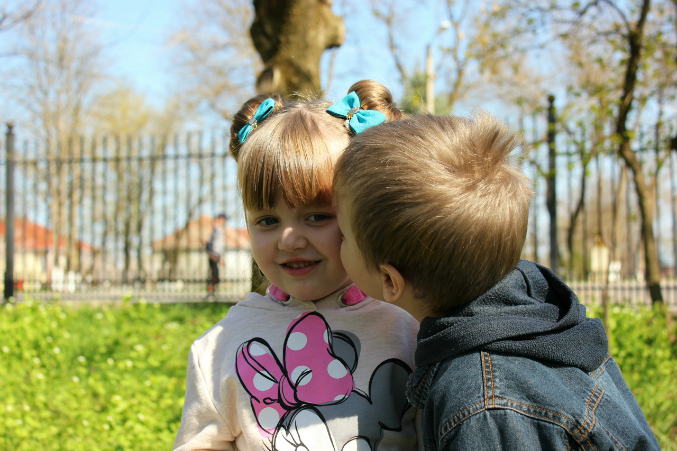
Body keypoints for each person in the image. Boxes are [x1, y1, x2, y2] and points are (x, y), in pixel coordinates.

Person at [333, 113, 660, 450]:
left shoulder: (483, 407)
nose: (334, 241)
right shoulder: (539, 317)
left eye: (342, 234)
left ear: (389, 279)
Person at [174, 82, 421, 451]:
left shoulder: (407, 329)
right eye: (267, 220)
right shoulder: (220, 346)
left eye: (317, 216)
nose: (289, 240)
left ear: (365, 216)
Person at [206, 213, 228, 296]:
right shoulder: (217, 229)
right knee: (214, 273)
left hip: (216, 254)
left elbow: (221, 245)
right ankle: (211, 291)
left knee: (215, 273)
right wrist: (212, 253)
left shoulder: (219, 229)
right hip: (214, 254)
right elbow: (212, 242)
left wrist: (221, 256)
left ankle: (213, 291)